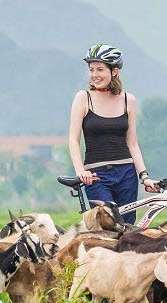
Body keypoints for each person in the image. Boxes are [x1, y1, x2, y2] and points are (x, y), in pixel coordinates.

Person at [67, 44, 159, 220]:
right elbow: (73, 139)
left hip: (127, 174)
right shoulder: (83, 98)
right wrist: (81, 172)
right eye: (91, 69)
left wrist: (144, 177)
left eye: (100, 69)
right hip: (96, 175)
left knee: (127, 229)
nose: (95, 75)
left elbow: (132, 143)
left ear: (114, 71)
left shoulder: (128, 100)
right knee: (108, 223)